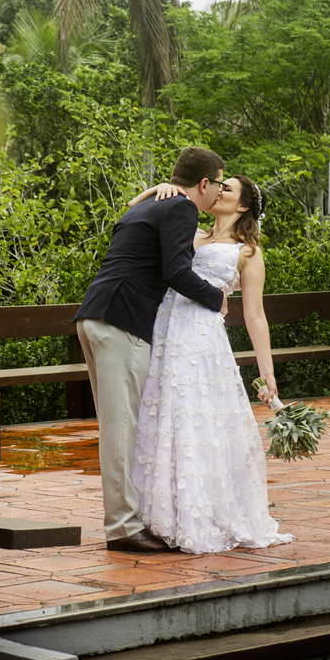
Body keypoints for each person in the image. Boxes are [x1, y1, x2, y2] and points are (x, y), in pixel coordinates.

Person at [125, 174, 292, 554]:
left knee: (194, 418)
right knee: (158, 417)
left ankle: (198, 515)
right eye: (218, 186)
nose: (219, 192)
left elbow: (255, 315)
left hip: (201, 340)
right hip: (163, 330)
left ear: (244, 205)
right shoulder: (189, 229)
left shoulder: (247, 252)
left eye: (227, 189)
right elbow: (133, 212)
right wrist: (158, 191)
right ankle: (155, 516)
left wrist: (268, 373)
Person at [73, 147, 229, 553]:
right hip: (120, 320)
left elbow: (132, 218)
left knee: (117, 424)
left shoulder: (151, 205)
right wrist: (216, 297)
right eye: (218, 184)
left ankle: (125, 520)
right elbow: (175, 271)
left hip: (95, 315)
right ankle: (123, 527)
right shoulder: (181, 209)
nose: (219, 195)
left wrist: (155, 188)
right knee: (121, 428)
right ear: (204, 183)